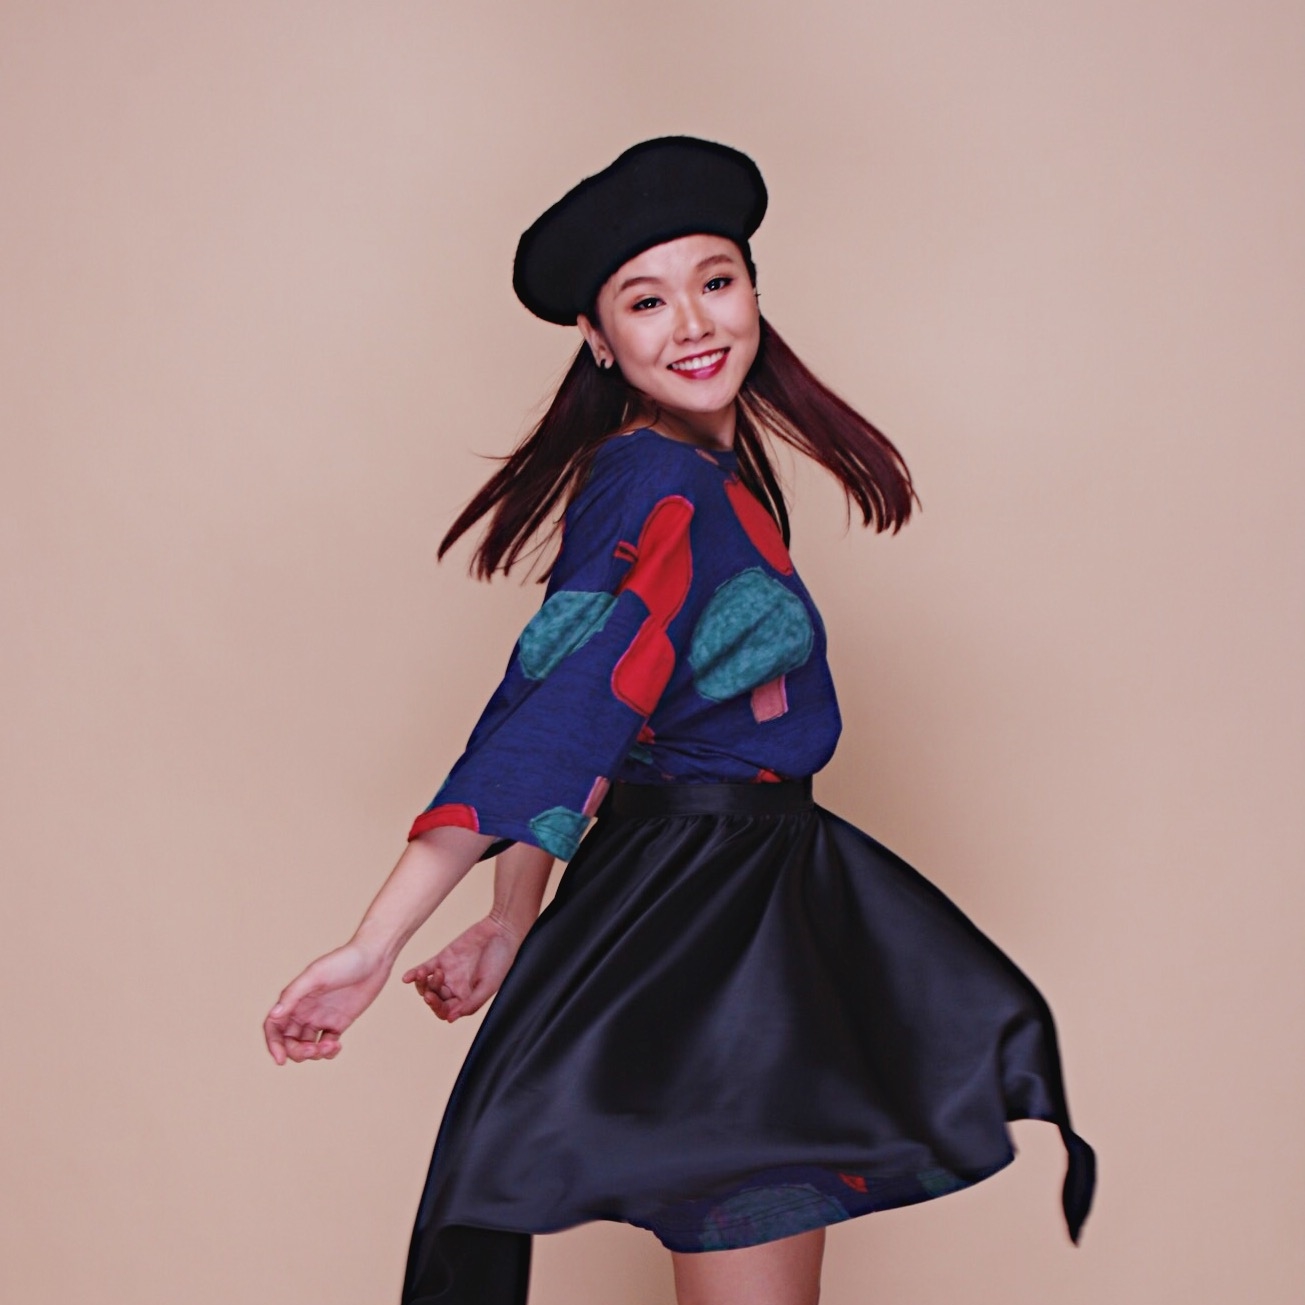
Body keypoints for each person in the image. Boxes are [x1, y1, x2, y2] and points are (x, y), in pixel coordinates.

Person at [263, 137, 1094, 1305]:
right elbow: (555, 717)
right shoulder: (652, 481)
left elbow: (617, 717)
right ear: (600, 339)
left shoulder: (708, 477)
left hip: (745, 902)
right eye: (646, 300)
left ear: (754, 290)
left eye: (715, 281)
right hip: (705, 919)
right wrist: (377, 941)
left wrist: (511, 919)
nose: (694, 323)